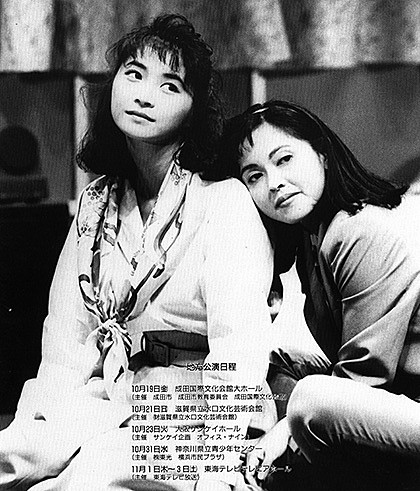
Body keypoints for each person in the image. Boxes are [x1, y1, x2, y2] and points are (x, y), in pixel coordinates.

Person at [0, 15, 276, 491]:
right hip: (112, 394)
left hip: (197, 408)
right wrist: (43, 421)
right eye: (134, 74)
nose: (145, 95)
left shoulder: (223, 201)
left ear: (193, 110)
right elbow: (65, 339)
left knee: (90, 476)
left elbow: (240, 349)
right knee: (15, 452)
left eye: (170, 86)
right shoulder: (96, 203)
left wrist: (215, 453)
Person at [219, 100, 420, 489]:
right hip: (399, 402)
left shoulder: (359, 227)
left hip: (405, 404)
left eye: (285, 159)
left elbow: (364, 377)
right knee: (275, 364)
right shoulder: (314, 238)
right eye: (254, 176)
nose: (274, 182)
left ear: (323, 155)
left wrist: (282, 431)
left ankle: (286, 462)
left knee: (311, 399)